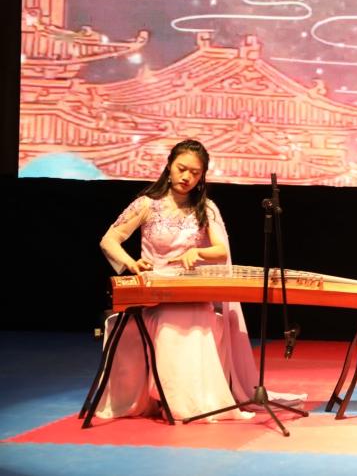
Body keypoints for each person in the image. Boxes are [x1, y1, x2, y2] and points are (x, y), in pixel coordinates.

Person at [97, 139, 300, 421]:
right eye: (181, 169)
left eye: (195, 173)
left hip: (191, 291)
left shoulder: (206, 208)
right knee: (170, 317)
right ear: (169, 166)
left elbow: (221, 251)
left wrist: (197, 252)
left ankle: (190, 402)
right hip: (156, 293)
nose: (187, 177)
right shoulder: (147, 204)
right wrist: (132, 264)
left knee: (191, 315)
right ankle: (171, 400)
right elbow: (109, 240)